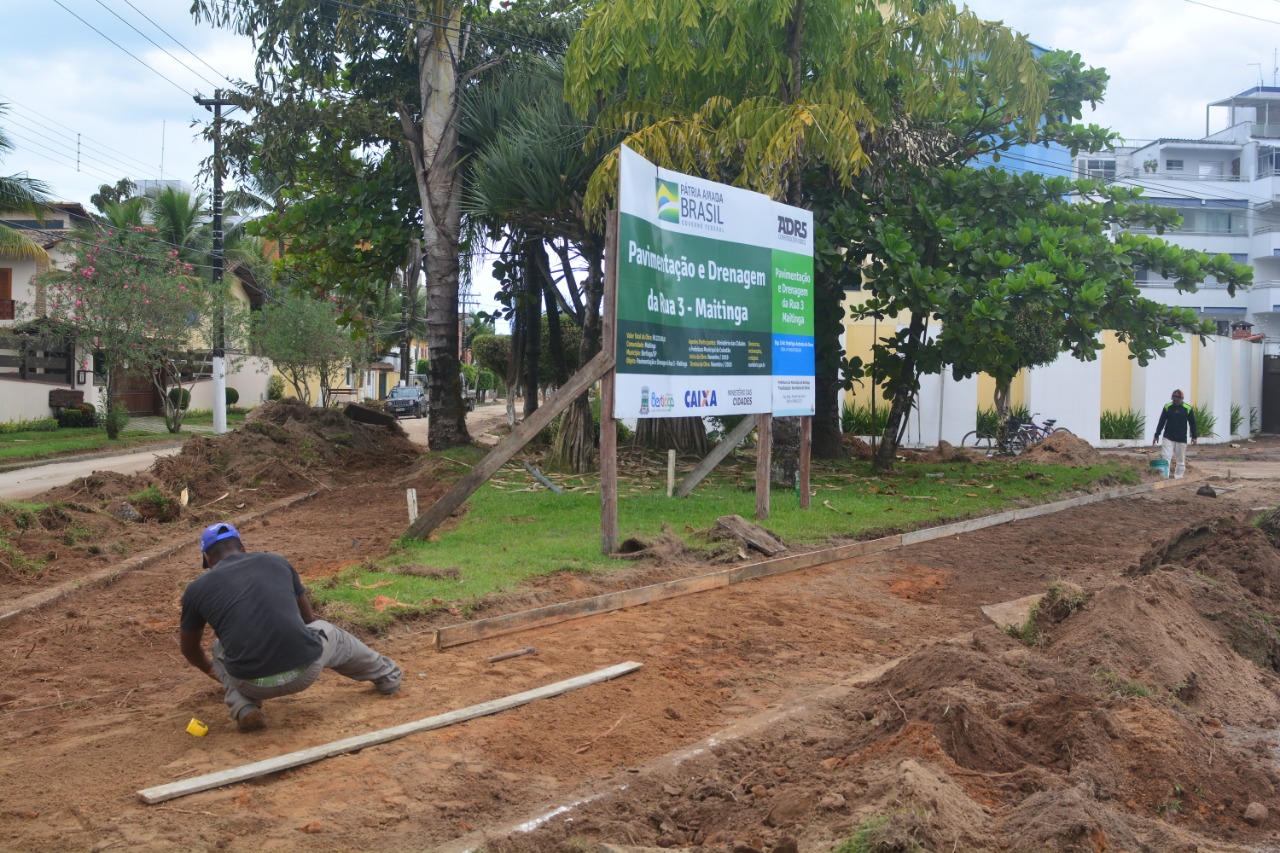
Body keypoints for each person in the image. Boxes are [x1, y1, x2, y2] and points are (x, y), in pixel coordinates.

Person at [180, 523, 402, 732]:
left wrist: (211, 670)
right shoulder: (277, 561)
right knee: (328, 630)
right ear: (243, 548)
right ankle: (387, 676)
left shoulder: (196, 589)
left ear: (207, 559)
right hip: (305, 671)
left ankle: (243, 707)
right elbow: (308, 619)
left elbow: (189, 649)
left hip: (250, 683)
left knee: (220, 648)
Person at [1152, 388, 1197, 480]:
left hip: (1181, 438)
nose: (1175, 402)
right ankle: (1164, 476)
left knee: (1180, 460)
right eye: (1173, 400)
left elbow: (1192, 423)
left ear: (1181, 399)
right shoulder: (1167, 407)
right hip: (1168, 436)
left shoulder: (1187, 408)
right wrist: (1157, 435)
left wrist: (1194, 436)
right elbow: (1161, 421)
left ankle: (1179, 477)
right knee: (1166, 458)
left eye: (1177, 400)